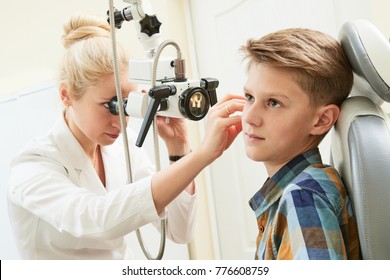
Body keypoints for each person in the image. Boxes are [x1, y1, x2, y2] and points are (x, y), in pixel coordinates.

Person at [7, 13, 244, 259]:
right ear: (66, 95)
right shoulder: (33, 165)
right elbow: (96, 219)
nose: (122, 119)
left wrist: (178, 148)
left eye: (127, 104)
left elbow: (178, 229)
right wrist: (203, 155)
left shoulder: (124, 144)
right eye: (110, 105)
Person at [239, 28, 361, 260]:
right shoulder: (302, 189)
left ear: (322, 120)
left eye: (273, 103)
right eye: (249, 97)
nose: (249, 117)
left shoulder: (303, 197)